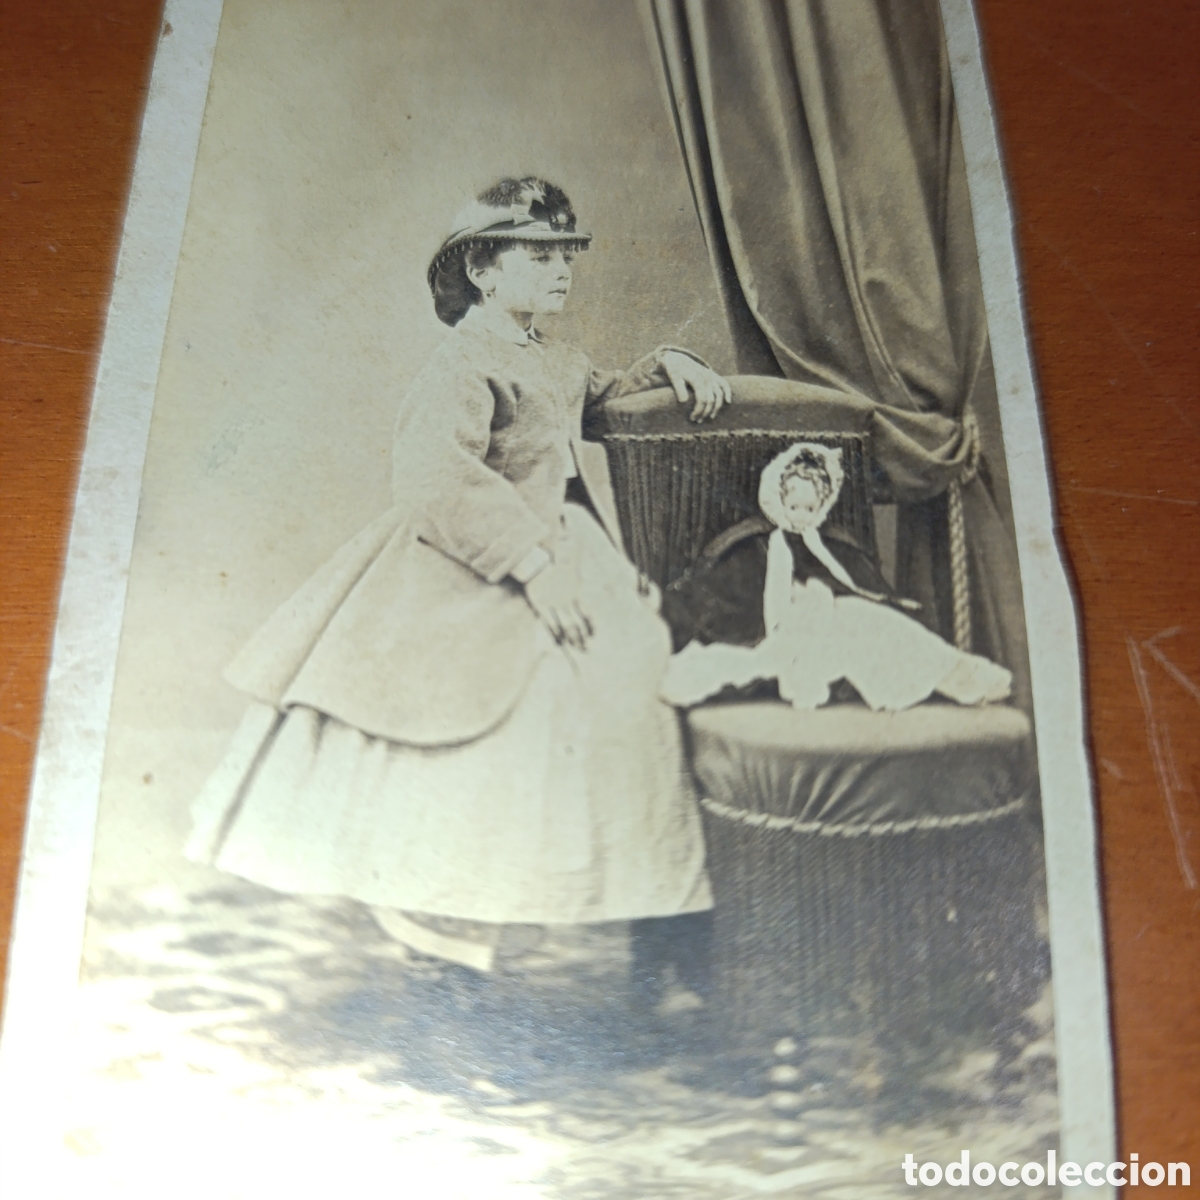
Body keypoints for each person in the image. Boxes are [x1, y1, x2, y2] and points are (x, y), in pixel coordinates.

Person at [186, 177, 727, 1000]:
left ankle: (659, 926)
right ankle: (449, 961)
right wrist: (534, 571)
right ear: (482, 268)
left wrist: (673, 362)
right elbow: (434, 478)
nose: (561, 270)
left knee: (635, 676)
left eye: (566, 256)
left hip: (563, 553)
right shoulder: (462, 361)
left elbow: (604, 394)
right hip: (471, 564)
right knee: (487, 730)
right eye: (537, 255)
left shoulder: (548, 355)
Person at [660, 442, 1013, 710]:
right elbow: (720, 593)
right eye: (793, 506)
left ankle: (965, 676)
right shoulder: (754, 543)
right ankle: (955, 677)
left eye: (809, 508)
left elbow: (858, 582)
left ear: (822, 505)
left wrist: (834, 597)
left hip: (838, 618)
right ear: (778, 497)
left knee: (885, 626)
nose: (800, 516)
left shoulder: (829, 541)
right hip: (790, 632)